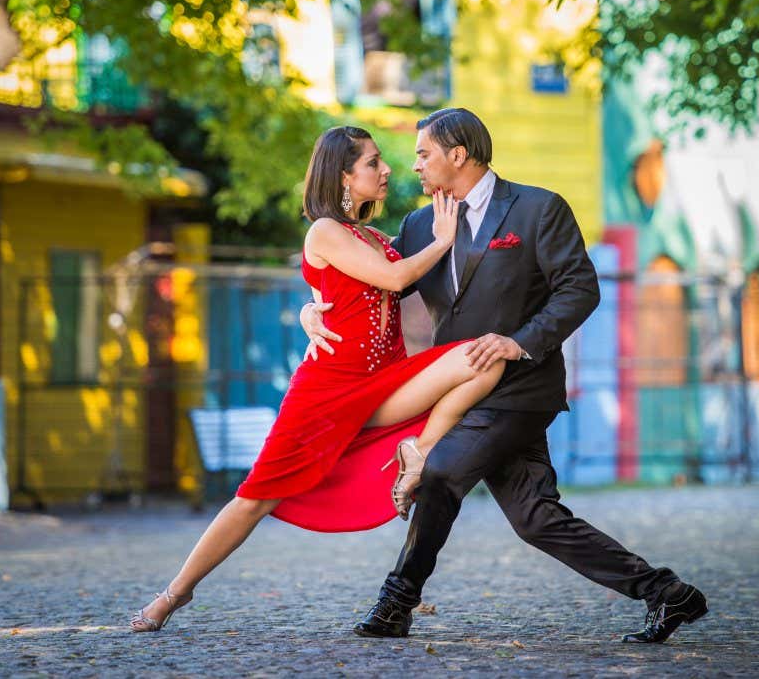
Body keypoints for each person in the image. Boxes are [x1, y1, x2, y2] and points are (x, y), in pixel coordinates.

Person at [302, 107, 707, 644]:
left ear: (458, 154)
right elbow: (372, 285)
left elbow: (580, 289)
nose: (415, 166)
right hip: (461, 391)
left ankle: (395, 603)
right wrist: (313, 308)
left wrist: (519, 342)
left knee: (441, 471)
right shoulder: (420, 225)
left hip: (521, 388)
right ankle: (669, 594)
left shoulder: (539, 209)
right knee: (536, 518)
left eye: (424, 154)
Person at [129, 125, 505, 633]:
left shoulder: (372, 236)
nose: (387, 168)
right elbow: (395, 279)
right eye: (373, 162)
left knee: (486, 358)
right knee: (254, 499)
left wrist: (312, 307)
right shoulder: (323, 230)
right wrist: (442, 241)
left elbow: (355, 285)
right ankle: (175, 594)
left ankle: (417, 451)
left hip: (386, 382)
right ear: (344, 176)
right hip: (327, 393)